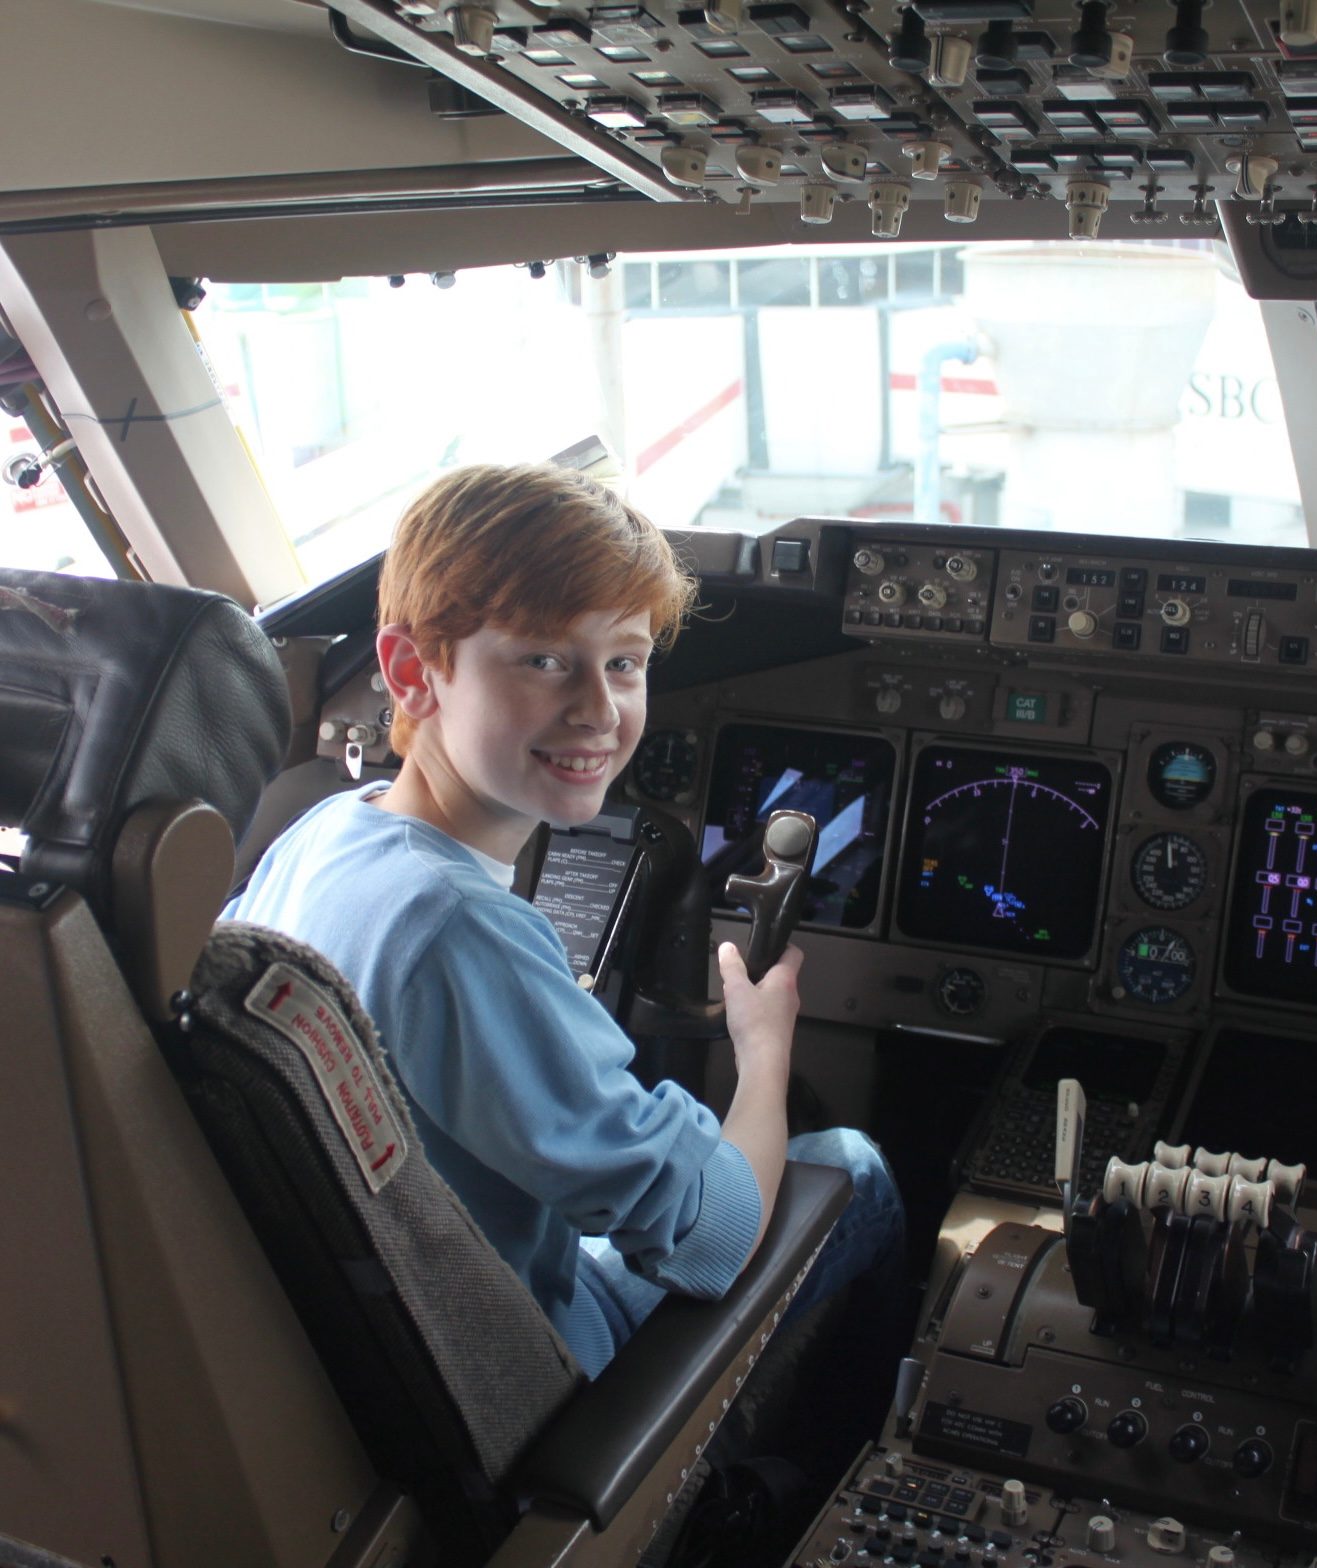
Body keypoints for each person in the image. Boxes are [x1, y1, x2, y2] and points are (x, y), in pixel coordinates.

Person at [225, 463, 903, 1380]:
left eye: (623, 662)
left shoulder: (326, 831)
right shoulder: (458, 930)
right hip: (528, 1365)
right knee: (855, 1167)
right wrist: (764, 1051)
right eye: (545, 659)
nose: (597, 709)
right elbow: (714, 1240)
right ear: (411, 673)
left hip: (390, 1336)